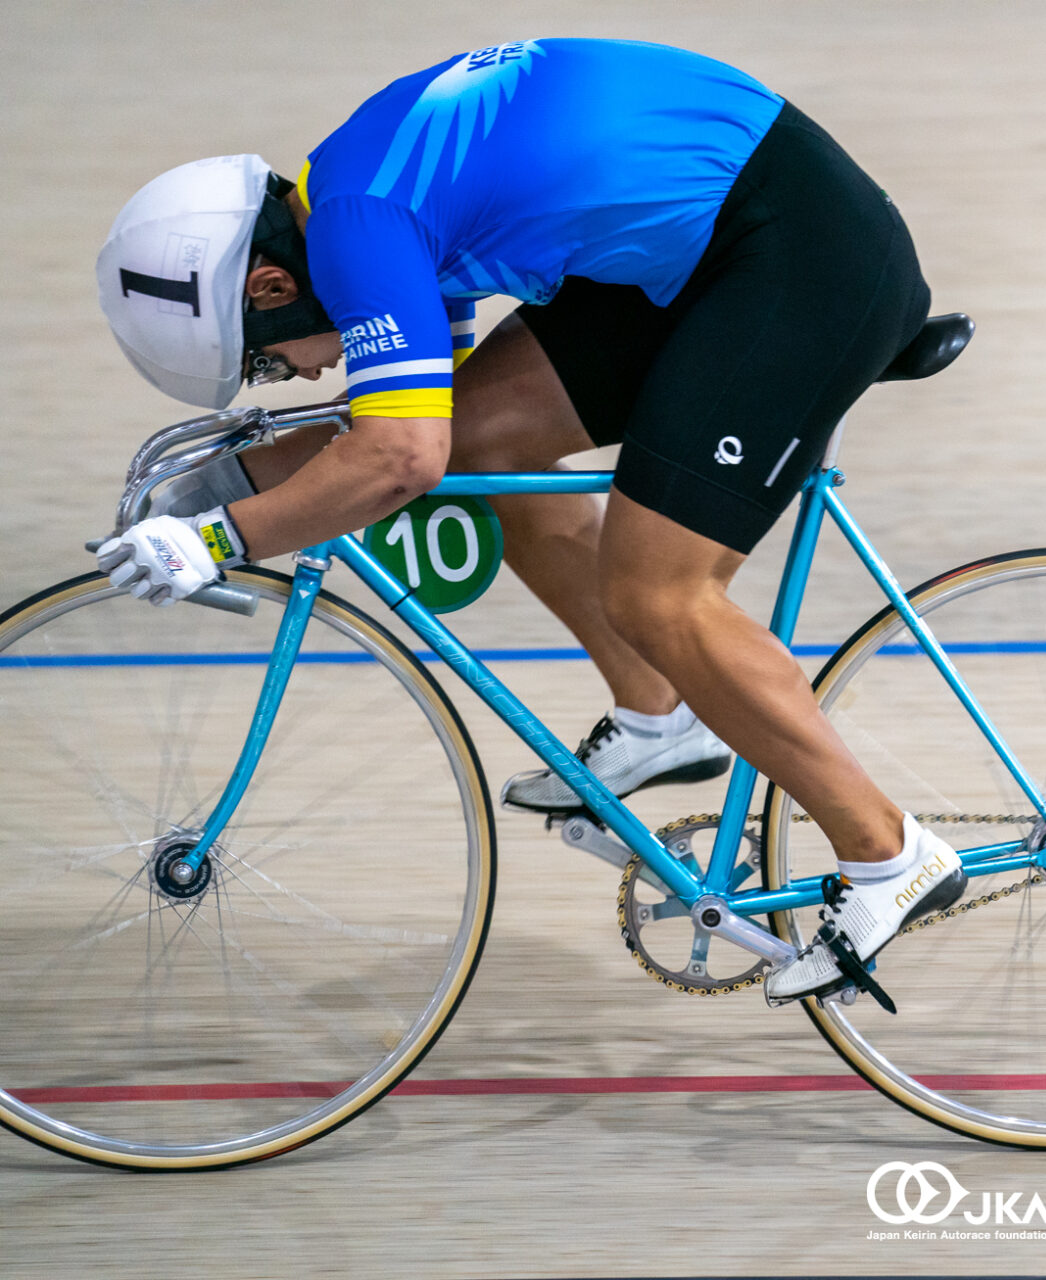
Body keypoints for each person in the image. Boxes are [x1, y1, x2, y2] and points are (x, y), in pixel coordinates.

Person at [92, 38, 965, 1003]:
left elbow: (398, 456)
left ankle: (888, 855)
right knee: (483, 444)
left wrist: (218, 538)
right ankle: (663, 714)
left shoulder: (358, 227)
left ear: (270, 287)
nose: (298, 374)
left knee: (658, 592)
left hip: (795, 249)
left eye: (265, 362)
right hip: (727, 232)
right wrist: (203, 492)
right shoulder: (344, 192)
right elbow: (433, 425)